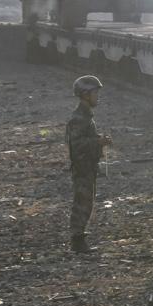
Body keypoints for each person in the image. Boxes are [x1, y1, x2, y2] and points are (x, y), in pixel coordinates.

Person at [65, 74, 111, 254]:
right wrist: (97, 143)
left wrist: (97, 140)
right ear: (85, 95)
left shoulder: (85, 116)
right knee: (82, 202)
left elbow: (84, 140)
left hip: (88, 166)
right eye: (95, 93)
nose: (97, 97)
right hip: (82, 166)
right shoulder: (79, 118)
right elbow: (76, 146)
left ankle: (79, 238)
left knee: (87, 202)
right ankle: (77, 240)